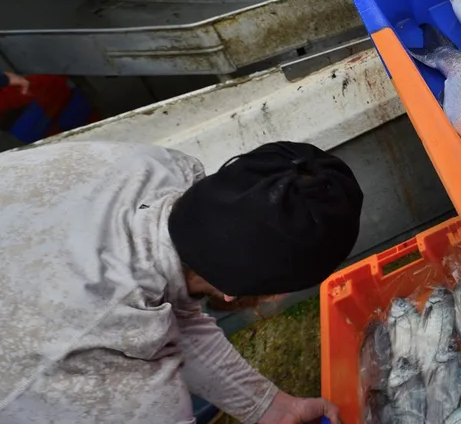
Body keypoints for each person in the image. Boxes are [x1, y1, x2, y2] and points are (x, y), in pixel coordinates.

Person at [0, 140, 365, 424]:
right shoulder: (126, 383)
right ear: (238, 293)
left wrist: (271, 406)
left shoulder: (159, 167)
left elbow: (177, 311)